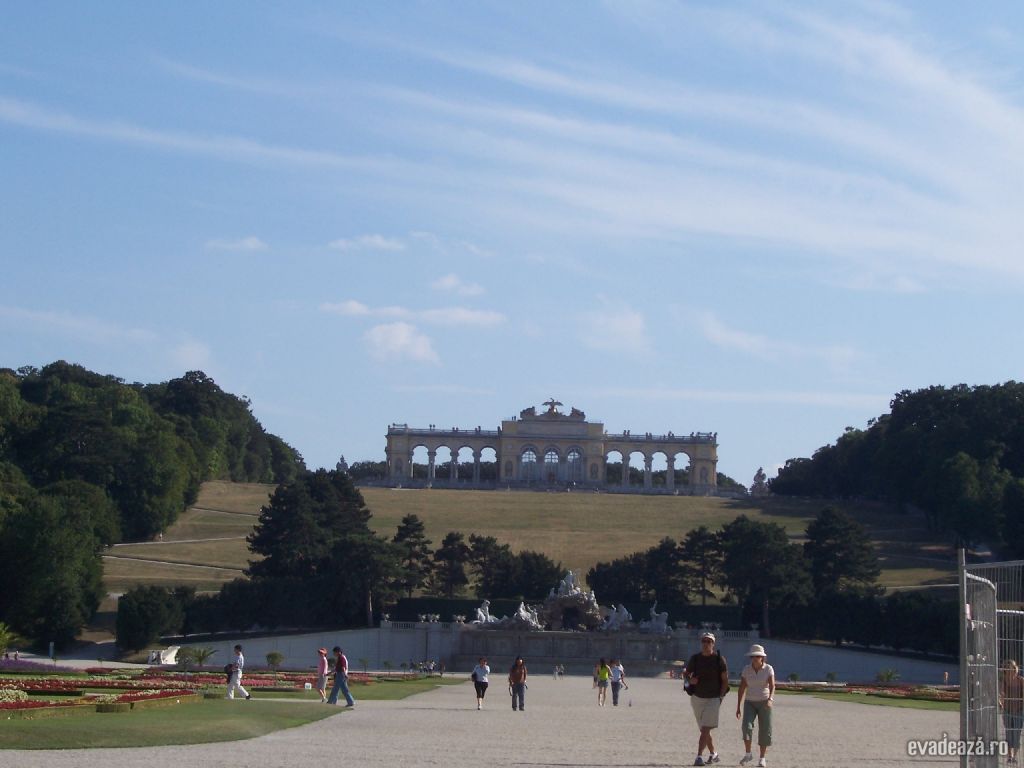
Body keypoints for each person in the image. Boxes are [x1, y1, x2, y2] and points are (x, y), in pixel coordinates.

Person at [685, 631, 729, 766]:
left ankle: (699, 756)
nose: (706, 644)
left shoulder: (719, 659)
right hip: (697, 698)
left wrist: (720, 697)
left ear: (713, 644)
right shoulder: (695, 658)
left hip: (713, 698)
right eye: (704, 641)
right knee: (704, 729)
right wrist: (689, 680)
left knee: (705, 729)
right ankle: (713, 754)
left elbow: (725, 680)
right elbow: (686, 674)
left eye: (709, 641)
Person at [735, 644, 775, 767]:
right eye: (753, 656)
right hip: (750, 702)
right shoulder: (746, 669)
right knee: (746, 727)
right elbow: (742, 687)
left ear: (762, 658)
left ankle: (762, 758)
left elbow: (773, 686)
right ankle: (748, 753)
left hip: (764, 702)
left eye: (758, 656)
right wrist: (738, 706)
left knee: (765, 729)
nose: (755, 658)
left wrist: (770, 699)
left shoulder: (768, 669)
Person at [1001, 659, 1024, 765]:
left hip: (1019, 711)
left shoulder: (1021, 680)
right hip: (1007, 710)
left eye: (1013, 668)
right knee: (1008, 733)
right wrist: (1001, 702)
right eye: (1008, 668)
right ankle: (1010, 756)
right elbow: (1001, 693)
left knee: (1017, 734)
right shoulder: (1004, 681)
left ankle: (1014, 756)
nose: (1011, 671)